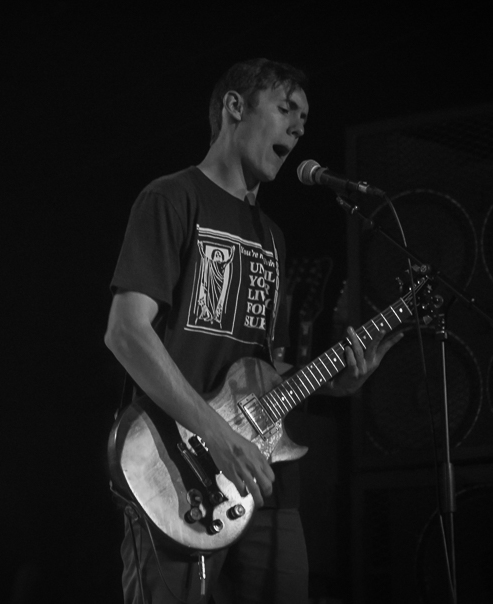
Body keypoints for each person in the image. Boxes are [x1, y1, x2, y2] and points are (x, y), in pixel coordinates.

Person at [105, 58, 402, 603]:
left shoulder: (272, 237)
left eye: (305, 121)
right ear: (234, 108)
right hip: (176, 466)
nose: (298, 127)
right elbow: (126, 333)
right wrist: (218, 437)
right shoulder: (171, 198)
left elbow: (259, 371)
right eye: (286, 109)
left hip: (261, 481)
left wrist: (338, 379)